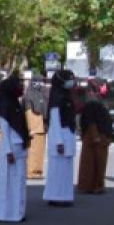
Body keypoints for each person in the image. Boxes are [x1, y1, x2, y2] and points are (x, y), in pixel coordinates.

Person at [0, 74, 30, 223]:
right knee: (7, 181)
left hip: (19, 146)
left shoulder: (16, 103)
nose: (21, 87)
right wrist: (7, 151)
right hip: (11, 148)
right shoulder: (4, 104)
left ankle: (17, 211)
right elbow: (5, 130)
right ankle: (4, 212)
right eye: (19, 84)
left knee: (19, 181)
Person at [42, 70, 77, 207]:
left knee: (65, 170)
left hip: (67, 134)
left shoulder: (66, 95)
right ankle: (55, 196)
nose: (71, 82)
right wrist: (59, 141)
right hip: (60, 137)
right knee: (57, 170)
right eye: (69, 79)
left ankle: (64, 195)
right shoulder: (57, 97)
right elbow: (55, 121)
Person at [76, 79, 112, 194]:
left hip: (99, 134)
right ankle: (95, 185)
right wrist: (95, 135)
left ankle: (91, 185)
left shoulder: (97, 99)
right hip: (96, 135)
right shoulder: (92, 100)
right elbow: (91, 119)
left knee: (92, 162)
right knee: (96, 162)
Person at [24, 78, 48, 180]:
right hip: (33, 125)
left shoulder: (41, 94)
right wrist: (30, 127)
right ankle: (30, 171)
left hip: (41, 126)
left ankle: (38, 171)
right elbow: (28, 112)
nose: (41, 84)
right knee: (32, 150)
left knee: (40, 151)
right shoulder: (29, 94)